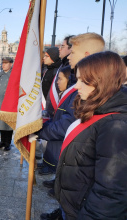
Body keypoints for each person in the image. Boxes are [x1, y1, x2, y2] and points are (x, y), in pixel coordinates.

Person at [40, 32, 105, 220]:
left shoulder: (94, 93)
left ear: (86, 55)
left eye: (72, 51)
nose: (68, 55)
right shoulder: (83, 85)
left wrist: (43, 130)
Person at [55, 51, 127, 219]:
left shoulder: (116, 125)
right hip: (74, 206)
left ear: (104, 81)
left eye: (84, 81)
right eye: (77, 79)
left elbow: (111, 193)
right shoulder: (96, 109)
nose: (76, 86)